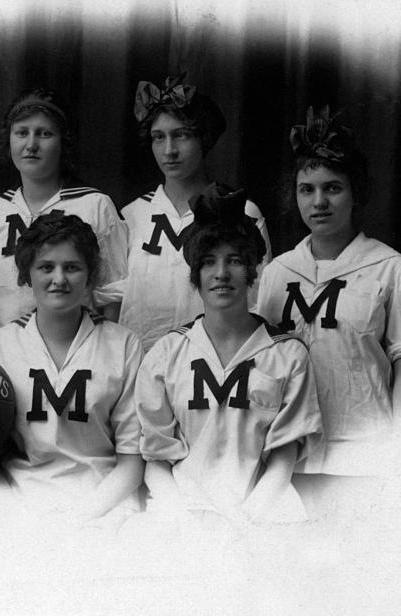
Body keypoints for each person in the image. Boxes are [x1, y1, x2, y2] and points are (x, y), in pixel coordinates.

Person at [256, 107, 401, 516]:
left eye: (332, 188)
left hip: (363, 458)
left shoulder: (393, 270)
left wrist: (399, 454)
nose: (319, 202)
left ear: (356, 193)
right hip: (287, 457)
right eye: (306, 189)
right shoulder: (277, 272)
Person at [137, 185, 321, 525]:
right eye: (209, 262)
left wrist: (242, 524)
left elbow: (282, 463)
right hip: (182, 517)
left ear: (251, 270)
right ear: (196, 274)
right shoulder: (167, 354)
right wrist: (186, 522)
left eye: (234, 260)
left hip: (261, 517)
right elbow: (156, 461)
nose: (221, 273)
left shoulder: (287, 354)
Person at [0, 213, 144, 526]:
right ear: (27, 274)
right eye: (46, 267)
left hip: (104, 506)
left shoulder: (123, 345)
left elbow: (131, 463)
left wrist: (79, 518)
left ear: (91, 275)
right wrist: (20, 516)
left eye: (72, 267)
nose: (59, 279)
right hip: (21, 504)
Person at [117, 74, 271, 350]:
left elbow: (259, 300)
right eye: (158, 137)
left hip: (214, 367)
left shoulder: (241, 211)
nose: (169, 150)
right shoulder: (131, 217)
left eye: (182, 135)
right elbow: (113, 307)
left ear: (204, 139)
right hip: (142, 365)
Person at [0, 88, 127, 332]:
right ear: (8, 138)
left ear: (63, 142)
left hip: (78, 355)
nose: (31, 144)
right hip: (8, 356)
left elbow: (113, 295)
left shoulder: (94, 205)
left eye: (44, 134)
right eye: (22, 133)